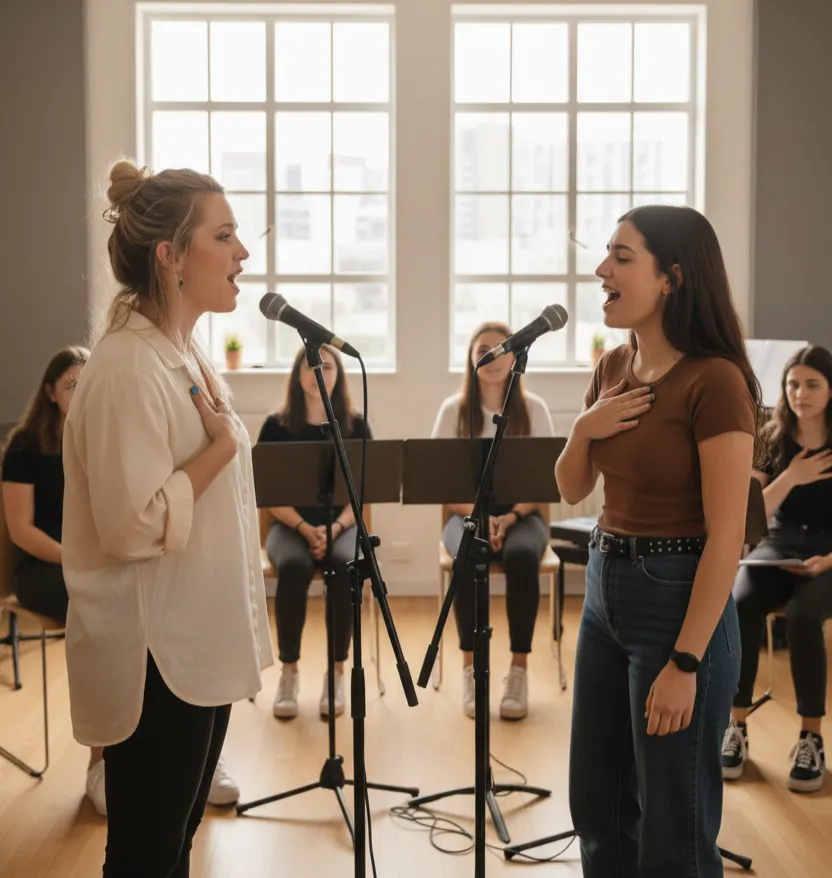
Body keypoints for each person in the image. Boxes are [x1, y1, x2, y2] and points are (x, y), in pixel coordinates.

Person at [61, 160, 273, 876]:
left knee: (175, 845)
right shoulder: (125, 368)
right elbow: (129, 527)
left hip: (192, 647)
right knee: (147, 855)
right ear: (171, 257)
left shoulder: (181, 354)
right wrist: (218, 450)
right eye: (226, 235)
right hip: (155, 660)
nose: (243, 253)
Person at [556, 205, 763, 877]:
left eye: (621, 257)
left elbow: (727, 535)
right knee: (598, 808)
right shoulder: (615, 364)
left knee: (674, 829)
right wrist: (585, 426)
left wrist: (686, 662)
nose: (601, 269)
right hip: (604, 591)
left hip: (678, 603)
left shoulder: (716, 382)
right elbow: (568, 486)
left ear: (671, 278)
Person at [0, 346, 108, 815]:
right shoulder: (25, 445)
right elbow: (22, 530)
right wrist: (76, 560)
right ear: (50, 392)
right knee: (102, 618)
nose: (80, 392)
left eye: (87, 384)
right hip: (41, 570)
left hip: (88, 566)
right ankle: (101, 763)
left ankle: (148, 748)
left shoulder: (100, 436)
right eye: (70, 384)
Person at [431, 321, 555, 720]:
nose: (493, 354)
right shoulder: (453, 411)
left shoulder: (535, 408)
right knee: (468, 553)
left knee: (521, 558)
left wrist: (511, 516)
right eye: (483, 347)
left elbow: (547, 480)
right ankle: (470, 670)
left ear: (515, 355)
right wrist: (481, 516)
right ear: (471, 357)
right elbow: (437, 482)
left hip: (524, 516)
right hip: (466, 515)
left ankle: (517, 672)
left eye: (501, 347)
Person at [722, 345, 832, 792]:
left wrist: (828, 561)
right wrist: (791, 477)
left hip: (829, 552)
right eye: (793, 384)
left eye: (812, 384)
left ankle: (811, 738)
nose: (800, 393)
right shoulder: (771, 435)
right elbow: (753, 515)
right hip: (778, 544)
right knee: (741, 603)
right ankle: (736, 726)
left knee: (805, 617)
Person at [258, 344, 371, 720]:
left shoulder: (355, 425)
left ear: (339, 375)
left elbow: (363, 494)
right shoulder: (275, 426)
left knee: (344, 566)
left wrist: (334, 527)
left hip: (342, 523)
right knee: (293, 567)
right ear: (297, 374)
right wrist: (306, 529)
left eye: (326, 365)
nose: (317, 372)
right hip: (289, 524)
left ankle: (337, 673)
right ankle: (289, 671)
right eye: (310, 366)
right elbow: (268, 495)